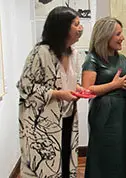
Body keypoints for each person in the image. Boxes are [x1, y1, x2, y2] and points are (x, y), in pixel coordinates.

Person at [17, 6, 84, 178]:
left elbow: (70, 82)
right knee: (47, 166)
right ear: (62, 28)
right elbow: (25, 87)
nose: (80, 28)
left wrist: (78, 89)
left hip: (68, 117)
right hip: (43, 124)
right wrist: (56, 94)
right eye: (76, 24)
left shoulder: (75, 54)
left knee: (66, 160)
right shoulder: (40, 53)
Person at [82, 17, 126, 178]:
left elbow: (123, 85)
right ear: (105, 36)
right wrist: (113, 85)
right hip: (103, 114)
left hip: (122, 112)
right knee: (105, 151)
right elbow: (87, 90)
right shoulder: (92, 59)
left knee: (123, 150)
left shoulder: (123, 59)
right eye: (118, 34)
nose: (122, 37)